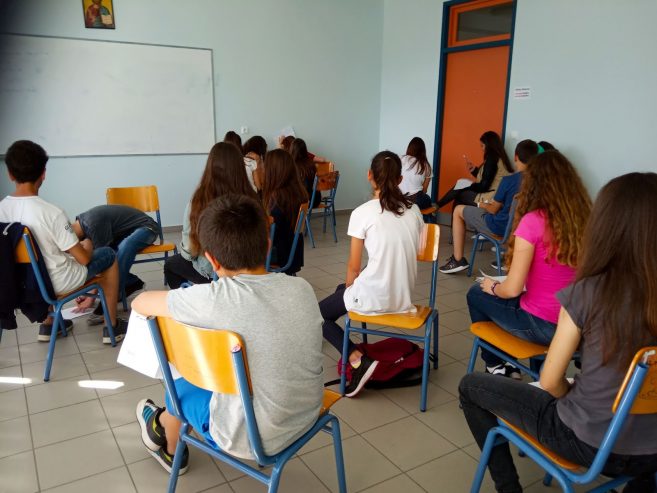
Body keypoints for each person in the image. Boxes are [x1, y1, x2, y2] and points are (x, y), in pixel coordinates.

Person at [459, 172, 657, 493]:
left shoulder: (588, 293)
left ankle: (508, 488)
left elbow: (551, 382)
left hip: (589, 442)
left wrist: (572, 392)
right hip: (652, 452)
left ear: (606, 226)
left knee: (470, 387)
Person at [133, 194, 323, 473]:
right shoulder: (302, 288)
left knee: (178, 387)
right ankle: (160, 426)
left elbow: (140, 302)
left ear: (211, 259)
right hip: (308, 414)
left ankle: (167, 443)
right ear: (267, 244)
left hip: (252, 439)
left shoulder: (214, 299)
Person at [465, 150, 591, 378]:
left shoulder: (534, 221)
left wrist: (493, 286)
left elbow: (512, 289)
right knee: (522, 298)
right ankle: (530, 371)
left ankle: (497, 364)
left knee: (476, 293)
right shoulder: (585, 220)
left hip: (543, 325)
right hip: (580, 327)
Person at [319, 151, 424, 397]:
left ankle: (357, 360)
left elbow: (354, 268)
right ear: (400, 180)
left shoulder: (362, 213)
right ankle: (358, 351)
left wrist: (350, 290)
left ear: (369, 176)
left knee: (318, 314)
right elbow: (409, 252)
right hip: (403, 297)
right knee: (341, 291)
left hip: (377, 296)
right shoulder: (415, 210)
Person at [0, 140, 126, 343]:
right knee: (108, 255)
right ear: (43, 173)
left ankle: (49, 325)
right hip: (56, 282)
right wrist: (87, 245)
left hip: (18, 283)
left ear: (10, 174)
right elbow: (84, 259)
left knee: (42, 262)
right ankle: (111, 326)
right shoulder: (52, 213)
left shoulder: (1, 210)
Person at [164, 142, 256, 289]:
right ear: (240, 168)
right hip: (249, 269)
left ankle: (192, 300)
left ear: (210, 167)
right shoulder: (252, 198)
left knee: (170, 265)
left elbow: (189, 251)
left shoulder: (199, 202)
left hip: (214, 271)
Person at [439, 139, 539, 274]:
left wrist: (482, 204)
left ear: (516, 157)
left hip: (500, 229)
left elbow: (493, 209)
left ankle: (458, 260)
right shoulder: (541, 182)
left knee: (458, 210)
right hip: (523, 231)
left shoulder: (509, 180)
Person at [71, 204, 159, 325]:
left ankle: (105, 306)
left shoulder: (93, 225)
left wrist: (91, 298)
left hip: (147, 228)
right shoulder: (82, 226)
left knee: (124, 247)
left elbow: (104, 266)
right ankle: (132, 283)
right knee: (111, 254)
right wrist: (88, 292)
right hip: (127, 233)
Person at [436, 131, 514, 210]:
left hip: (491, 198)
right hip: (495, 195)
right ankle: (437, 206)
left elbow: (484, 186)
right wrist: (474, 170)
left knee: (460, 194)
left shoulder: (492, 158)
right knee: (461, 188)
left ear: (489, 146)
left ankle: (437, 206)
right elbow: (489, 177)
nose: (482, 149)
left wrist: (468, 186)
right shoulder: (500, 158)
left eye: (482, 146)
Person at [261, 149, 308, 275]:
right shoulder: (299, 192)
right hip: (293, 252)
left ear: (272, 171)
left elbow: (272, 234)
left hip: (279, 254)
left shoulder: (277, 199)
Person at [399, 136, 432, 210]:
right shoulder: (426, 165)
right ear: (423, 150)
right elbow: (424, 190)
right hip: (417, 200)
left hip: (399, 198)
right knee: (427, 199)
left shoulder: (401, 159)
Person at [290, 138, 321, 209]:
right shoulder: (311, 164)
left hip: (304, 202)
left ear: (292, 150)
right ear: (305, 150)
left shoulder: (293, 166)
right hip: (316, 200)